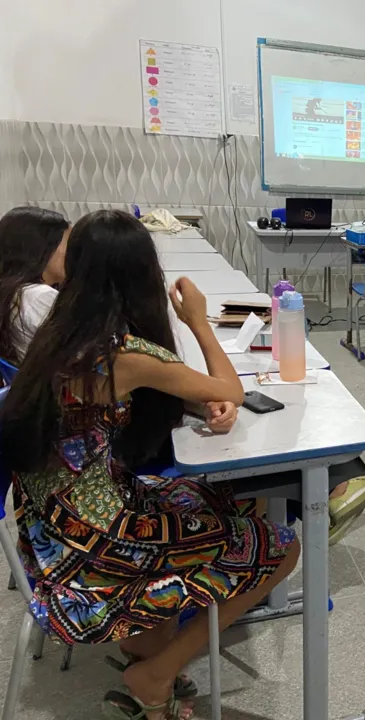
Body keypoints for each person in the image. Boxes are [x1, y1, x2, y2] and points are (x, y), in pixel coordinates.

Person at [0, 210, 300, 720]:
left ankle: (151, 656)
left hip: (48, 523)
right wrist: (197, 322)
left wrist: (188, 398)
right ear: (143, 275)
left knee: (230, 498)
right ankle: (154, 674)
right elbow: (230, 388)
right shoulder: (122, 352)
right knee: (279, 547)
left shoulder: (59, 330)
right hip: (96, 534)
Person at [0, 206, 70, 364]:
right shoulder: (39, 296)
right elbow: (77, 352)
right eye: (68, 245)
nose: (73, 254)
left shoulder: (13, 289)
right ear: (42, 249)